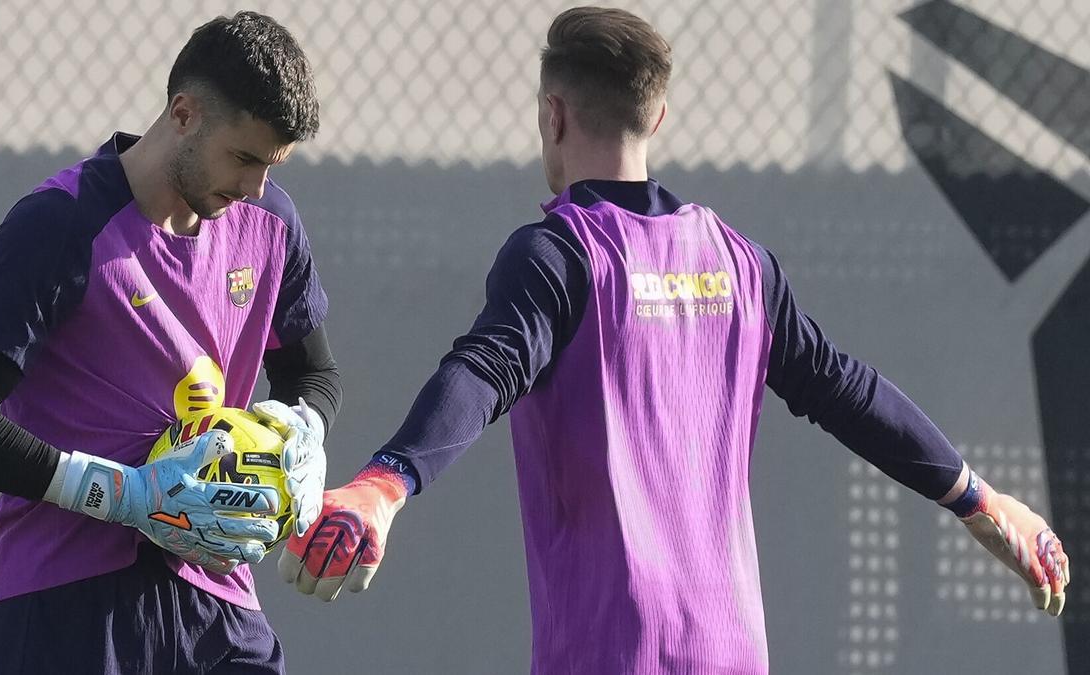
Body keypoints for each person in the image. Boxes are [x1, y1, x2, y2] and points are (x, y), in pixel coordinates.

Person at [280, 6, 1071, 674]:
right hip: (733, 648)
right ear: (656, 116)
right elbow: (846, 388)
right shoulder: (739, 264)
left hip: (608, 651)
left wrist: (385, 484)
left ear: (552, 114)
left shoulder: (561, 254)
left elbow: (485, 369)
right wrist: (979, 496)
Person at [0, 11, 337, 674]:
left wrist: (301, 439)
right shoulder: (59, 223)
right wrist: (125, 492)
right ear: (184, 114)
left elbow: (314, 376)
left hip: (219, 604)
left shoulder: (271, 224)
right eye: (244, 158)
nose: (255, 186)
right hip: (64, 607)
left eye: (271, 166)